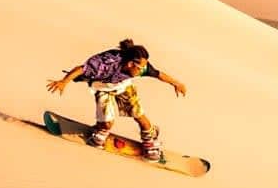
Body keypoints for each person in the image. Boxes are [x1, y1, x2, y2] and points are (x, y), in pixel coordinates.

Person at [47, 39, 186, 162]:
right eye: (140, 68)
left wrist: (176, 83)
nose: (142, 71)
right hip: (102, 88)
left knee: (139, 115)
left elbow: (158, 74)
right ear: (130, 64)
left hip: (123, 87)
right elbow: (81, 69)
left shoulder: (142, 67)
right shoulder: (104, 65)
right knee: (107, 123)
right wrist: (64, 81)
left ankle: (151, 139)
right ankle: (101, 130)